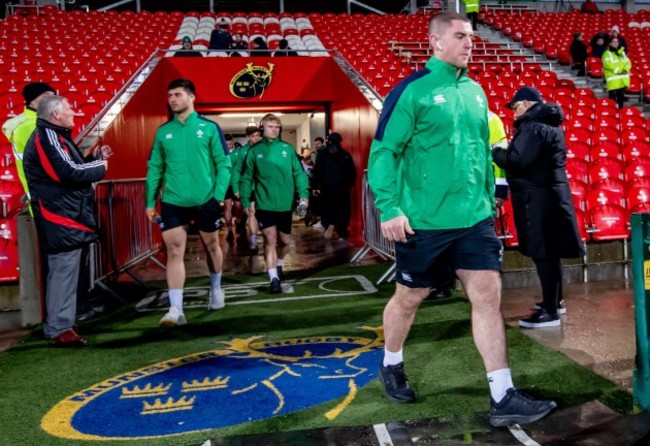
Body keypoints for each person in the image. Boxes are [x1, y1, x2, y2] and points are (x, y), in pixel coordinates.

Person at [367, 12, 557, 427]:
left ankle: (502, 393)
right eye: (460, 36)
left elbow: (479, 151)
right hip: (424, 222)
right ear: (434, 42)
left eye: (471, 36)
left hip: (473, 219)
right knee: (409, 298)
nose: (470, 43)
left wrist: (488, 196)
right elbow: (383, 153)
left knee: (487, 294)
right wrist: (390, 206)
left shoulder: (475, 92)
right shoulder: (411, 92)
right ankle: (392, 363)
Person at [492, 87, 584, 328]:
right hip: (547, 196)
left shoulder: (534, 128)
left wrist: (495, 151)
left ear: (526, 104)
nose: (513, 112)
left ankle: (550, 311)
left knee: (544, 253)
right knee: (550, 253)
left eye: (515, 106)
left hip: (539, 199)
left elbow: (517, 161)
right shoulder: (546, 124)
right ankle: (555, 301)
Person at [23, 95, 111, 346]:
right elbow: (67, 172)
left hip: (65, 213)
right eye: (70, 109)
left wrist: (93, 159)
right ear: (56, 115)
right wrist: (101, 167)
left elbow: (72, 166)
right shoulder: (46, 137)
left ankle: (61, 323)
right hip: (59, 215)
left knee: (65, 271)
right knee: (63, 271)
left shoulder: (54, 135)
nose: (74, 112)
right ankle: (60, 327)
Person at [145, 79, 232, 327]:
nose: (173, 99)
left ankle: (216, 288)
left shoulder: (209, 127)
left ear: (191, 97)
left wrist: (217, 196)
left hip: (206, 200)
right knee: (174, 251)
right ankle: (175, 310)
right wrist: (150, 201)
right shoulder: (163, 132)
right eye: (170, 95)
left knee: (212, 246)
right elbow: (155, 168)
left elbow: (224, 164)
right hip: (173, 200)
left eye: (178, 94)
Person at [240, 114, 309, 293]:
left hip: (285, 205)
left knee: (285, 241)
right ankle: (274, 279)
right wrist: (246, 200)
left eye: (277, 127)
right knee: (270, 240)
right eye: (270, 126)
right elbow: (246, 178)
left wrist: (304, 195)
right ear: (263, 129)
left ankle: (278, 264)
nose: (274, 129)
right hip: (265, 205)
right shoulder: (254, 152)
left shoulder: (288, 149)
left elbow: (299, 174)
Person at [2, 82, 56, 200]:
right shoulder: (29, 126)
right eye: (45, 96)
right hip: (46, 195)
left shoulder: (45, 122)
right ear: (31, 101)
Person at [312, 132, 356, 240]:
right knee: (343, 210)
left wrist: (315, 186)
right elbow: (352, 171)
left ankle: (329, 223)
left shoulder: (322, 154)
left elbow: (317, 171)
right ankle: (342, 232)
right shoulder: (345, 155)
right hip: (342, 188)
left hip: (327, 187)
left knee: (327, 208)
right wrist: (350, 183)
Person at [232, 126, 262, 250]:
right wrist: (236, 188)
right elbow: (237, 170)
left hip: (263, 187)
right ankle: (254, 240)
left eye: (258, 135)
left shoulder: (264, 148)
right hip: (249, 187)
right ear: (248, 137)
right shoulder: (243, 152)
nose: (256, 138)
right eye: (253, 136)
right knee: (252, 213)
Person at [602, 36, 631, 109]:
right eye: (614, 42)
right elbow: (608, 65)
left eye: (617, 42)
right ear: (610, 44)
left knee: (621, 102)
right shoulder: (606, 54)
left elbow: (628, 63)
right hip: (613, 83)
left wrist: (625, 70)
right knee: (612, 103)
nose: (616, 43)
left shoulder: (622, 53)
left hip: (622, 81)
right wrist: (620, 70)